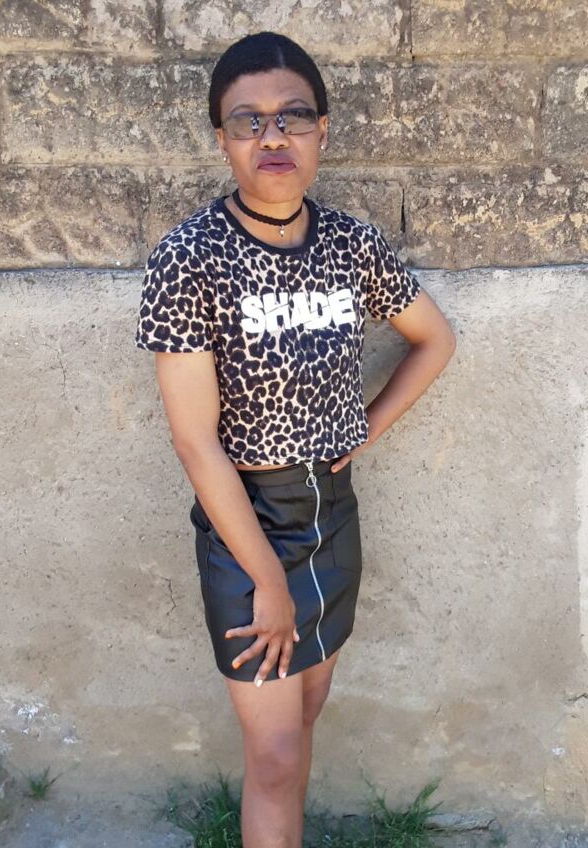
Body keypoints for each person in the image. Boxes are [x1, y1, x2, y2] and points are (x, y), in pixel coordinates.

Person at [135, 30, 456, 848]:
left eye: (293, 116)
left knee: (304, 716)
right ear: (222, 138)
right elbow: (195, 443)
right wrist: (267, 581)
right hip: (247, 523)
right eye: (249, 120)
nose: (272, 136)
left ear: (322, 130)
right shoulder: (189, 259)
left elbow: (435, 339)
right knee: (274, 754)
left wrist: (365, 427)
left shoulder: (351, 245)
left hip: (332, 514)